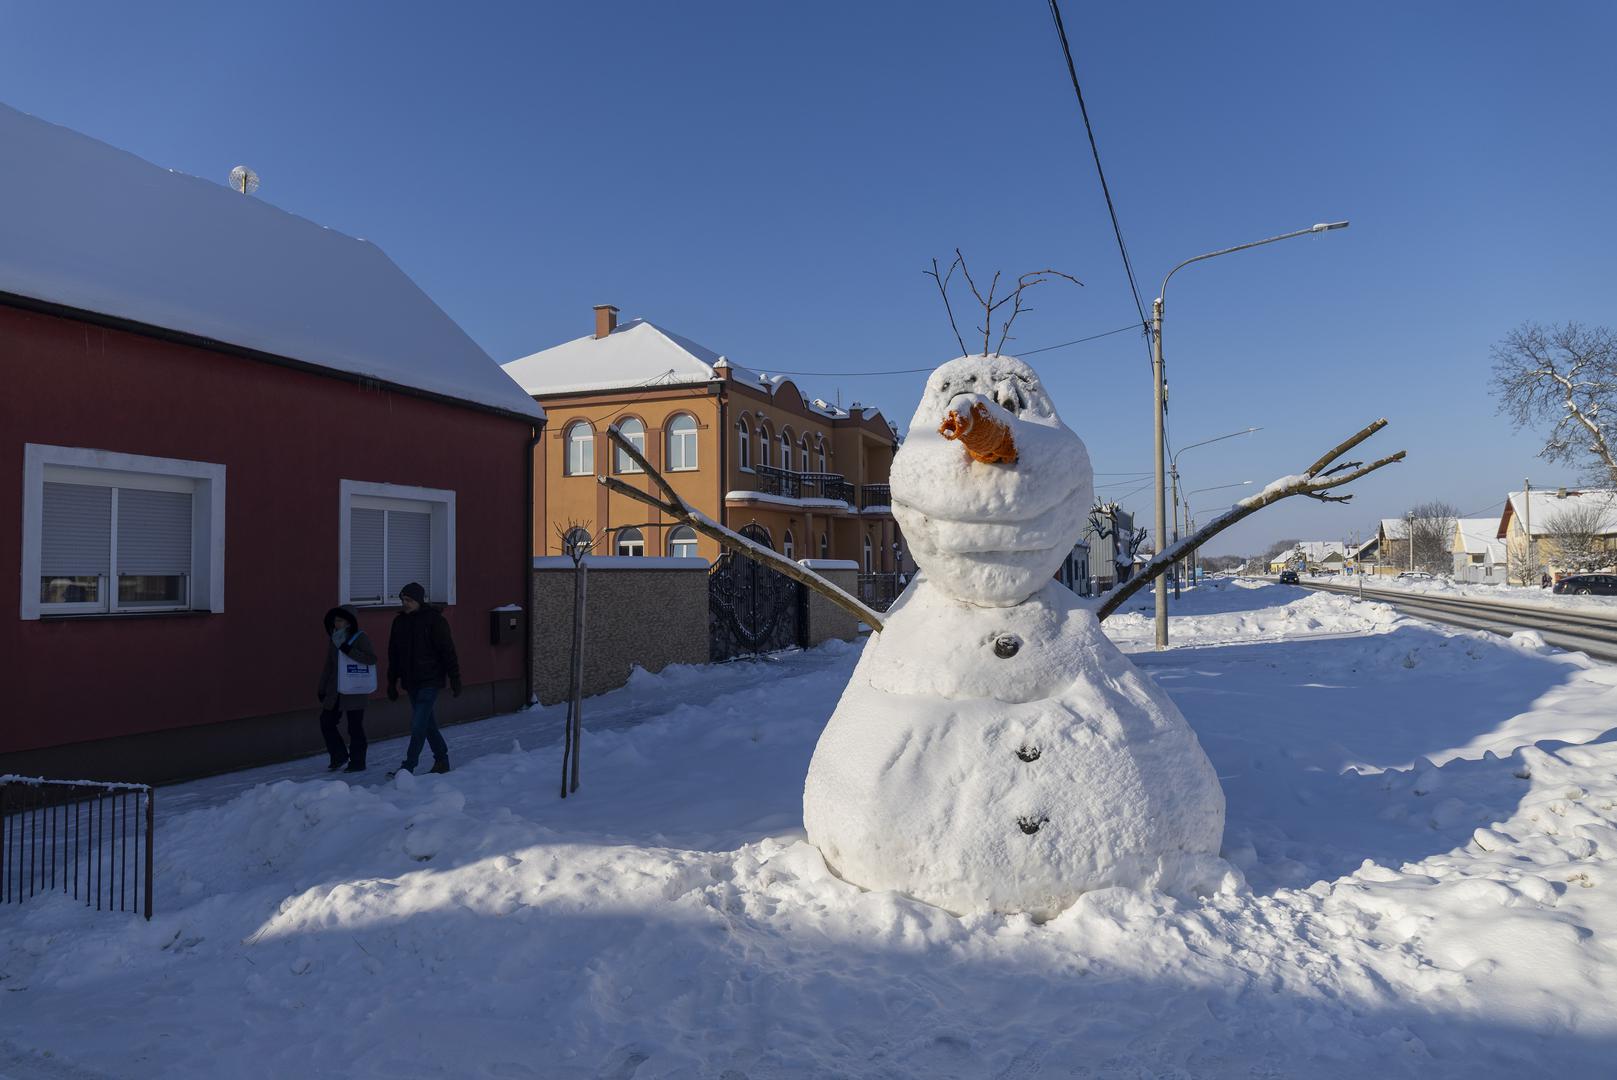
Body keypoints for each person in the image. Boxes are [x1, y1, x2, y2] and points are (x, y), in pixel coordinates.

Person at [386, 582, 461, 775]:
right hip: (411, 681)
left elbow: (447, 651)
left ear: (419, 600)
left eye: (409, 600)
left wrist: (455, 678)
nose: (405, 603)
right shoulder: (399, 622)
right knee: (427, 724)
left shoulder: (434, 620)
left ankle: (408, 767)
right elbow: (394, 654)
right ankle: (442, 760)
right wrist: (391, 682)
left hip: (430, 679)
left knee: (418, 724)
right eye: (403, 600)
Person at [317, 606, 376, 772]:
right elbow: (329, 666)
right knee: (326, 721)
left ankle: (358, 761)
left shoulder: (360, 637)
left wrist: (348, 649)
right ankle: (339, 755)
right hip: (335, 690)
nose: (336, 623)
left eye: (340, 620)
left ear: (349, 622)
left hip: (355, 689)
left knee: (354, 727)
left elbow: (371, 659)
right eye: (335, 620)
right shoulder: (334, 638)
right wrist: (322, 688)